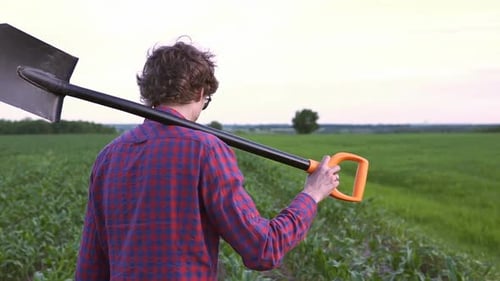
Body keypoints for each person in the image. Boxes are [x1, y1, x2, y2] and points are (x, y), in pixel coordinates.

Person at [75, 39, 341, 281]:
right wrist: (311, 194)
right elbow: (263, 249)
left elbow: (90, 267)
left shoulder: (108, 157)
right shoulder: (206, 150)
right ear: (201, 92)